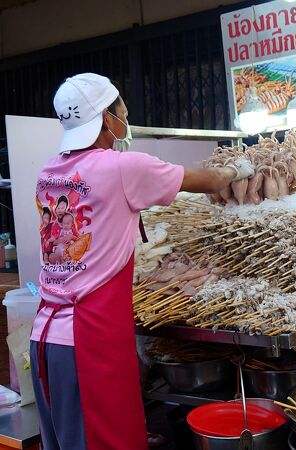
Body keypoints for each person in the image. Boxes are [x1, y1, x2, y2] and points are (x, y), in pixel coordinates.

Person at [30, 73, 254, 450]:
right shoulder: (120, 168)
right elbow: (207, 180)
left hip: (46, 339)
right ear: (106, 119)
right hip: (88, 342)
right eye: (123, 111)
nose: (126, 118)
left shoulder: (49, 173)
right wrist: (237, 170)